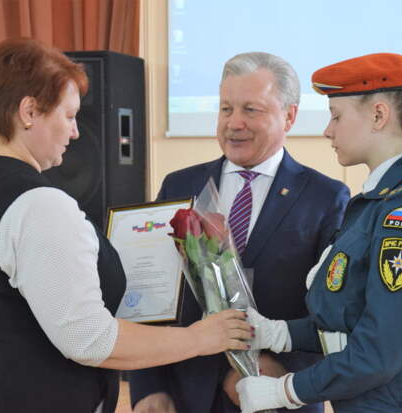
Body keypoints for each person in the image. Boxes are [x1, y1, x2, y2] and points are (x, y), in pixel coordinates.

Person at [0, 38, 253, 413]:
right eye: (70, 116)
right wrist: (199, 339)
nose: (76, 132)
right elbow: (89, 339)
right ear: (29, 111)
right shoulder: (37, 203)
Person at [235, 53, 402, 413]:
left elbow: (378, 353)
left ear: (378, 115)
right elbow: (350, 322)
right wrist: (277, 333)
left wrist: (284, 390)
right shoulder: (374, 203)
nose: (328, 130)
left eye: (337, 117)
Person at [129, 52, 350, 413]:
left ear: (289, 116)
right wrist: (149, 388)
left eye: (251, 110)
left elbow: (334, 311)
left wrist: (285, 373)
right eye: (226, 108)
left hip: (279, 394)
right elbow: (152, 295)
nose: (234, 123)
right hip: (185, 397)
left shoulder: (326, 197)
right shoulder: (180, 186)